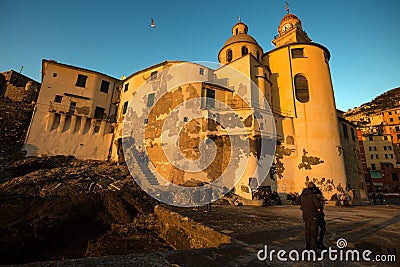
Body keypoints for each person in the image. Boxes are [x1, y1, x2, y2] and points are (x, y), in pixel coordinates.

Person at [299, 182, 322, 252]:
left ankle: (308, 247)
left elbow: (298, 202)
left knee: (308, 232)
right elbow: (318, 205)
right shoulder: (312, 195)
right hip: (313, 216)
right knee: (313, 233)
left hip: (305, 215)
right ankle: (313, 249)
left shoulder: (302, 195)